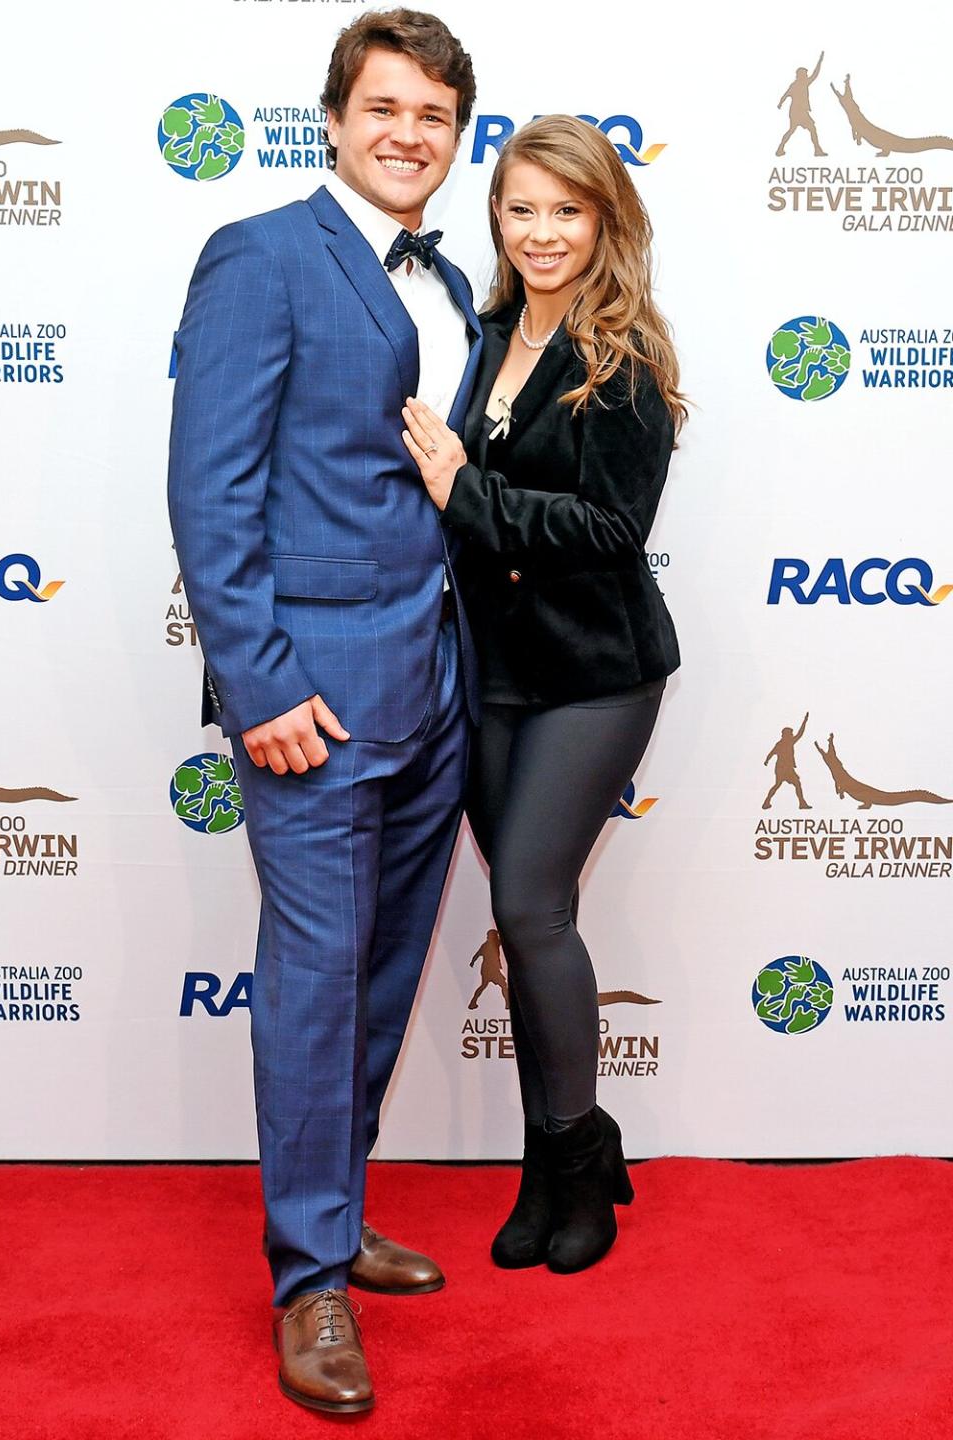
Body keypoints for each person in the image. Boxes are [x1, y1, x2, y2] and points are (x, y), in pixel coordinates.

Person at [168, 9, 479, 1416]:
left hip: (432, 688)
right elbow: (211, 491)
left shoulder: (456, 280)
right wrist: (260, 684)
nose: (409, 133)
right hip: (312, 701)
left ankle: (339, 1215)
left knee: (380, 980)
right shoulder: (263, 255)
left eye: (435, 115)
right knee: (308, 987)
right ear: (335, 119)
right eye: (386, 107)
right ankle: (309, 1286)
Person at [402, 114, 685, 1275]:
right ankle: (557, 1155)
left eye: (566, 209)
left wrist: (468, 494)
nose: (541, 232)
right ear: (498, 217)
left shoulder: (627, 359)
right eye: (521, 208)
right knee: (527, 926)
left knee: (529, 907)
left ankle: (572, 1164)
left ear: (606, 219)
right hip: (491, 671)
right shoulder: (486, 334)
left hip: (594, 674)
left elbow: (612, 531)